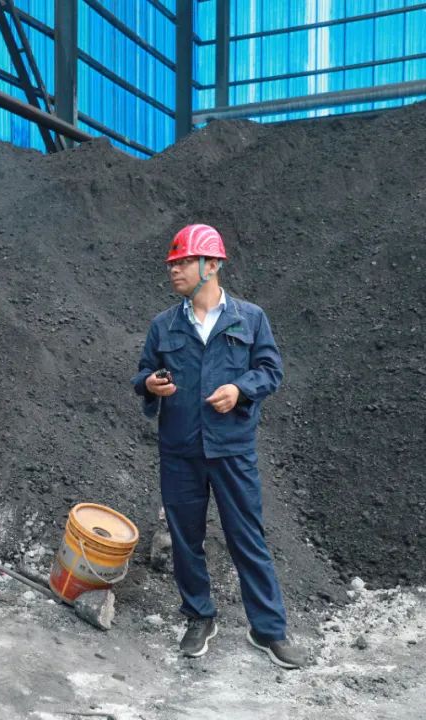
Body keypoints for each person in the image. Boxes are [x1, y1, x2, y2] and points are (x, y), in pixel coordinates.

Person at [132, 224, 307, 669]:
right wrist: (150, 384)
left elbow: (270, 369)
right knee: (185, 538)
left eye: (183, 262)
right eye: (172, 264)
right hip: (180, 450)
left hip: (232, 449)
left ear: (211, 265)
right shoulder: (163, 324)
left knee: (247, 536)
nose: (173, 270)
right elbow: (143, 373)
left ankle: (268, 629)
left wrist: (240, 390)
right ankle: (199, 616)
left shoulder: (250, 319)